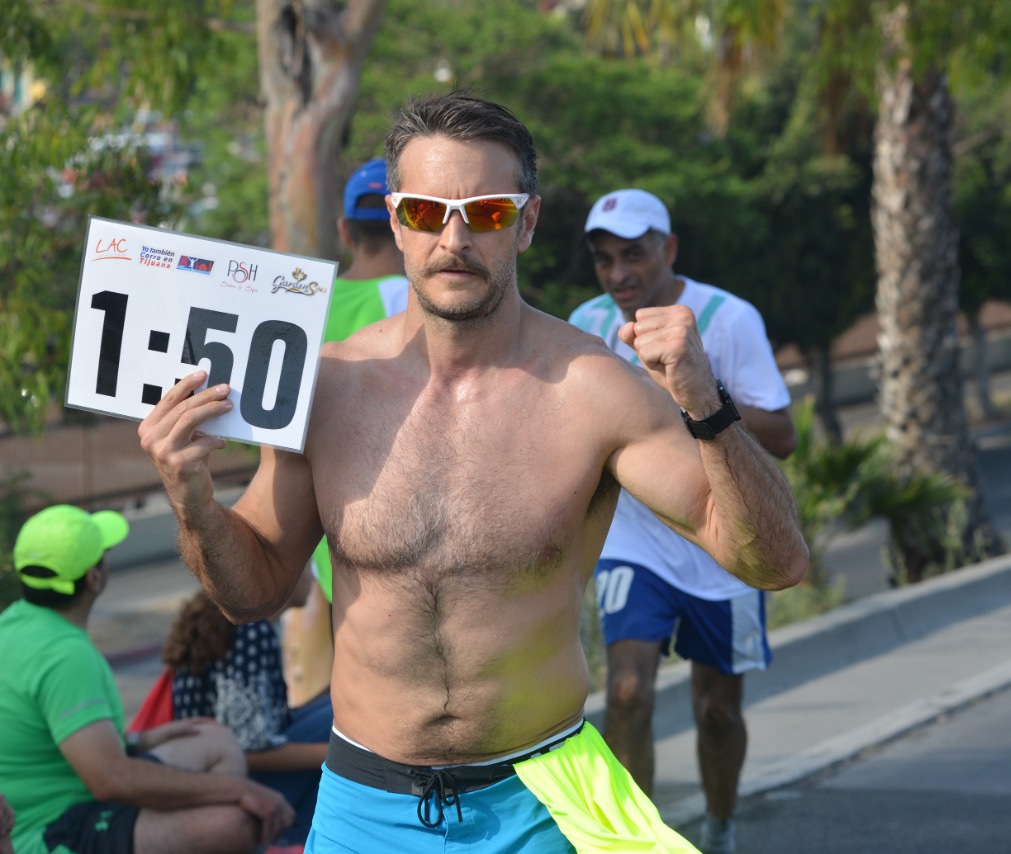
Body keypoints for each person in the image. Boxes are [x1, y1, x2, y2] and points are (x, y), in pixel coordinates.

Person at [138, 91, 808, 852]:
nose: (453, 238)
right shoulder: (324, 390)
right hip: (365, 806)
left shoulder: (595, 390)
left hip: (537, 803)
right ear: (395, 220)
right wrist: (192, 502)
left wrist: (706, 403)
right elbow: (251, 593)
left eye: (485, 213)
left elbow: (776, 561)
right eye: (426, 212)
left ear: (525, 223)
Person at [569, 187, 797, 853]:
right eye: (605, 260)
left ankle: (720, 829)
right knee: (630, 692)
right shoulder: (585, 324)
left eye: (634, 255)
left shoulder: (727, 318)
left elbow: (781, 434)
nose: (620, 274)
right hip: (632, 541)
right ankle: (632, 845)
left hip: (724, 546)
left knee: (717, 711)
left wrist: (694, 390)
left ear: (668, 249)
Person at [0, 504, 294, 854]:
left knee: (213, 738)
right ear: (94, 578)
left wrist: (139, 740)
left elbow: (52, 740)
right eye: (103, 554)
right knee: (235, 824)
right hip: (54, 830)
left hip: (61, 802)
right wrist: (241, 791)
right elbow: (109, 780)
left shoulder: (13, 624)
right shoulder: (64, 654)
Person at [281, 157, 413, 708]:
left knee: (353, 708)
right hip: (418, 528)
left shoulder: (304, 304)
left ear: (344, 229)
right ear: (405, 225)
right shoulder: (429, 301)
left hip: (329, 534)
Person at [163, 572, 332, 847]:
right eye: (306, 566)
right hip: (231, 782)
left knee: (334, 707)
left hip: (215, 771)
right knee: (340, 728)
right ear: (281, 576)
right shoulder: (251, 631)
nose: (314, 577)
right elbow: (248, 749)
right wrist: (341, 754)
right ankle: (292, 840)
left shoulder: (246, 623)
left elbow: (265, 724)